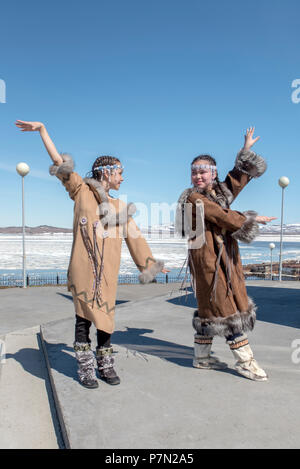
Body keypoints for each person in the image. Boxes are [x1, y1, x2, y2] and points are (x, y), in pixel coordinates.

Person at [16, 120, 168, 389]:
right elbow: (60, 163)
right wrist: (43, 131)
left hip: (108, 272)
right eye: (120, 172)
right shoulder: (80, 190)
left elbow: (135, 237)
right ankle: (85, 367)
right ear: (106, 172)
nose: (122, 177)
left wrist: (150, 264)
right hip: (83, 267)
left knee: (107, 320)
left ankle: (105, 364)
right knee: (83, 319)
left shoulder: (121, 207)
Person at [176, 128, 276, 381]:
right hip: (207, 260)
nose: (197, 176)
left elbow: (235, 181)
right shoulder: (194, 199)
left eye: (202, 172)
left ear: (213, 173)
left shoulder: (215, 194)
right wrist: (251, 218)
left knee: (209, 309)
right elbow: (221, 215)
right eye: (194, 172)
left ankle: (201, 357)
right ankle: (246, 362)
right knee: (226, 308)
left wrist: (245, 152)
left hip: (221, 257)